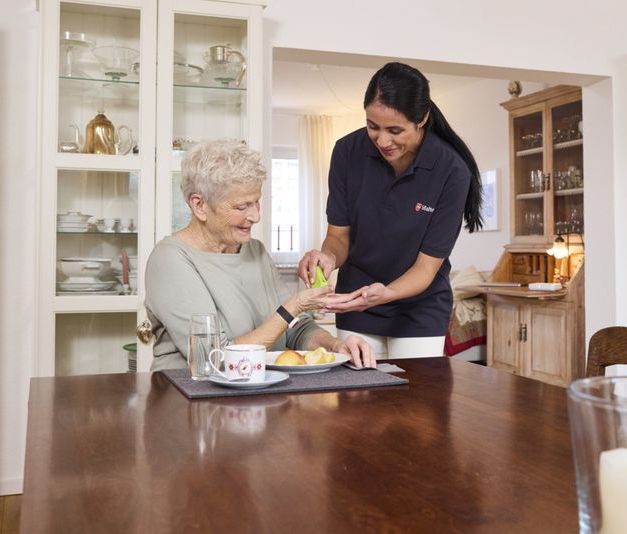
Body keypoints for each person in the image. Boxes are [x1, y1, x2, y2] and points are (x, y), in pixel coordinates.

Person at [298, 62, 483, 359]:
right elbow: (338, 237)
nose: (383, 140)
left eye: (395, 130)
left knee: (415, 404)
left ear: (422, 119)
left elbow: (426, 269)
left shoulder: (451, 170)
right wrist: (327, 258)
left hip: (419, 309)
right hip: (356, 302)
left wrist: (386, 293)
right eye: (373, 126)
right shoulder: (347, 152)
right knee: (359, 399)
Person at [145, 140, 374, 372]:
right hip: (189, 399)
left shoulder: (255, 251)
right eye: (241, 206)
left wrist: (336, 346)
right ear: (199, 205)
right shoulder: (170, 260)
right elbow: (213, 359)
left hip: (257, 396)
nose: (255, 216)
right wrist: (295, 304)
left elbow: (296, 328)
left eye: (256, 202)